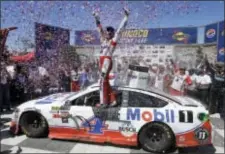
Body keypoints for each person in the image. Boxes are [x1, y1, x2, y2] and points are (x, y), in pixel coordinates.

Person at [93, 8, 130, 107]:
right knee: (105, 81)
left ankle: (103, 102)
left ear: (113, 33)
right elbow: (99, 28)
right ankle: (113, 100)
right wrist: (96, 17)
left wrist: (126, 17)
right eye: (107, 31)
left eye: (110, 31)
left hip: (107, 60)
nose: (108, 33)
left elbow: (120, 30)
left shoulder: (113, 40)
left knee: (102, 81)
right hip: (101, 61)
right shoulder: (103, 40)